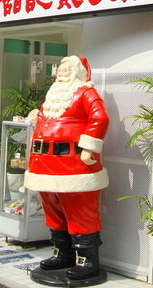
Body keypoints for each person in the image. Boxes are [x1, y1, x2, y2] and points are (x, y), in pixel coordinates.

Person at [24, 56, 109, 282]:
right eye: (61, 68)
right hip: (44, 164)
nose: (62, 71)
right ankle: (63, 253)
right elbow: (47, 116)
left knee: (81, 211)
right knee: (53, 211)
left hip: (73, 165)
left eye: (67, 68)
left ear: (78, 73)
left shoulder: (86, 92)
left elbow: (100, 118)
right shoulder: (54, 94)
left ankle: (87, 260)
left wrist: (89, 147)